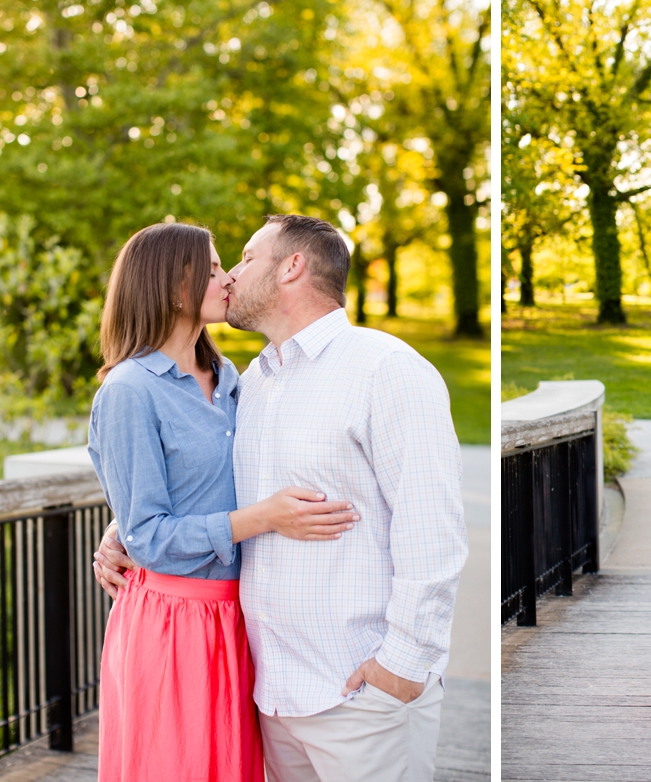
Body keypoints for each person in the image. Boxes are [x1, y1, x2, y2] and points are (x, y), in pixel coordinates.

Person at [98, 214, 468, 782]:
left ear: (292, 266)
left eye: (243, 259)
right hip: (266, 685)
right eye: (220, 266)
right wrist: (124, 529)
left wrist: (401, 665)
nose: (231, 277)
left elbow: (433, 529)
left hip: (358, 689)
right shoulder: (256, 380)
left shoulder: (382, 369)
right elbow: (192, 486)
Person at [89, 223, 359, 782]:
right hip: (173, 621)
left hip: (239, 617)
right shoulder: (128, 391)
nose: (228, 277)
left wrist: (120, 528)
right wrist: (262, 518)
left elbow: (203, 488)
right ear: (170, 286)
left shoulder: (235, 380)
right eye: (211, 269)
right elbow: (152, 537)